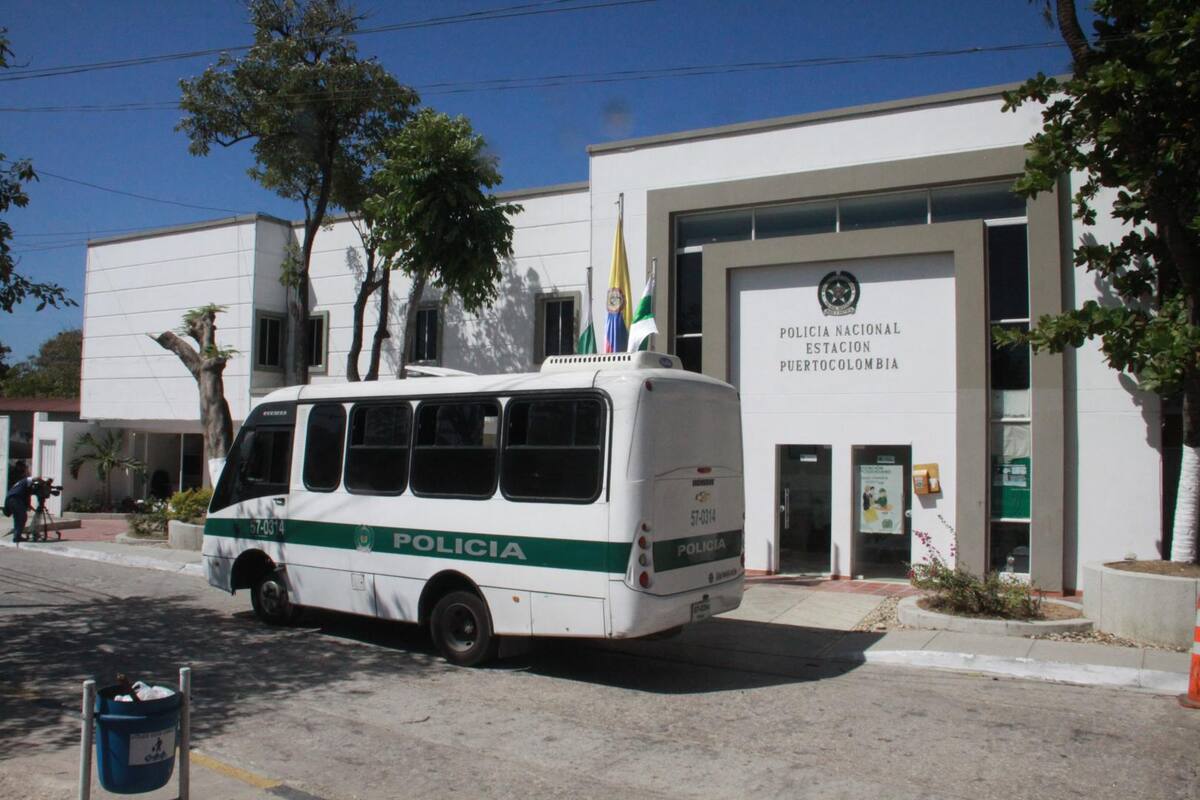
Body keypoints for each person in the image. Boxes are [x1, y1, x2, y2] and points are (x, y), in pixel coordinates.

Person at [5, 461, 36, 542]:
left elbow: (26, 498)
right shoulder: (25, 480)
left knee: (18, 518)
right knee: (22, 517)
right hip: (15, 499)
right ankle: (17, 536)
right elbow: (34, 478)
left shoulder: (21, 482)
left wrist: (30, 507)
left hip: (10, 499)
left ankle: (17, 535)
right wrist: (43, 480)